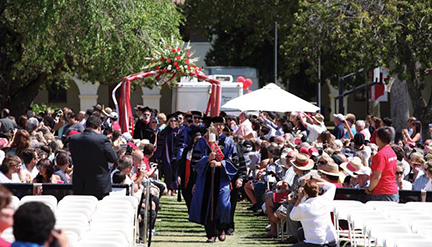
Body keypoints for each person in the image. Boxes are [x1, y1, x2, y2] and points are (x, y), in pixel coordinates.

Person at [189, 116, 238, 242]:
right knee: (207, 205)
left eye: (221, 125)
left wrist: (220, 164)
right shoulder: (202, 142)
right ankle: (210, 233)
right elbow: (195, 162)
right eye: (216, 125)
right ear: (211, 126)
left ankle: (222, 228)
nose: (219, 127)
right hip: (206, 178)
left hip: (222, 178)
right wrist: (207, 159)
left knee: (223, 203)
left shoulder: (228, 141)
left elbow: (234, 161)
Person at [69, 114, 118, 199]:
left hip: (80, 183)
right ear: (99, 127)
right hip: (98, 184)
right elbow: (113, 158)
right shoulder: (102, 139)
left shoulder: (73, 139)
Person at [289, 176, 337, 247]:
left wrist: (299, 199)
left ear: (304, 192)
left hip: (315, 244)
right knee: (301, 232)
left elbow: (292, 216)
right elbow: (332, 186)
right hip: (331, 241)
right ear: (317, 190)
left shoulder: (303, 207)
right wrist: (315, 184)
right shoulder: (325, 199)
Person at [365, 127, 399, 202]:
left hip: (382, 192)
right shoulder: (391, 152)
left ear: (379, 138)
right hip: (392, 190)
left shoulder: (380, 155)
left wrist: (369, 189)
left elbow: (377, 176)